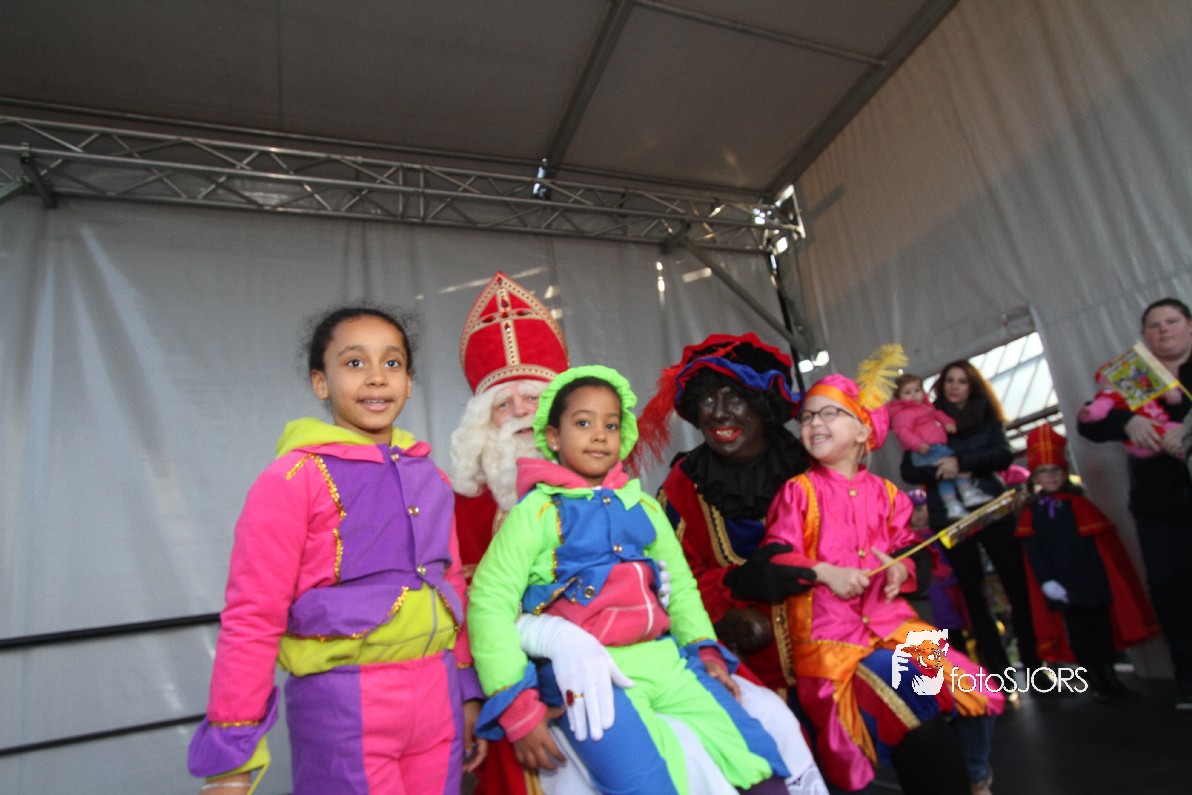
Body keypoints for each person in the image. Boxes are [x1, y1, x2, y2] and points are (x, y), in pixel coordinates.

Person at [450, 274, 791, 795]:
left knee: (769, 742)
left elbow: (681, 583)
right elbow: (483, 607)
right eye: (503, 403)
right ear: (554, 433)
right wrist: (515, 690)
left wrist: (693, 634)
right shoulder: (480, 509)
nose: (519, 412)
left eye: (532, 397)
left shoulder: (635, 501)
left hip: (671, 657)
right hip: (545, 677)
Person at [187, 306, 486, 795]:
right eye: (354, 362)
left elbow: (450, 583)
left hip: (439, 699)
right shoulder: (292, 479)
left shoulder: (431, 477)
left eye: (392, 363)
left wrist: (467, 691)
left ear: (409, 383)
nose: (376, 377)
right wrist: (232, 756)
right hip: (344, 702)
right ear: (320, 382)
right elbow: (254, 615)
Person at [764, 362, 1003, 795]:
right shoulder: (798, 491)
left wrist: (900, 568)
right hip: (832, 637)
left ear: (862, 431)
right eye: (808, 416)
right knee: (908, 693)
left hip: (894, 625)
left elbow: (910, 550)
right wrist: (824, 572)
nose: (814, 422)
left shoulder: (889, 495)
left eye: (829, 413)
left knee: (975, 689)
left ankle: (975, 777)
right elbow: (775, 557)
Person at [1078, 297, 1192, 710]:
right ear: (1144, 335)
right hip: (1157, 502)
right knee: (1169, 587)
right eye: (1154, 325)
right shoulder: (1135, 374)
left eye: (1171, 321)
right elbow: (1090, 422)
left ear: (1189, 326)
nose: (1163, 330)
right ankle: (1187, 678)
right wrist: (1127, 420)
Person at [900, 360, 1044, 684]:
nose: (955, 386)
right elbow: (908, 469)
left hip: (991, 509)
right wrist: (942, 469)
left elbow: (1003, 454)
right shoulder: (924, 415)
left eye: (962, 381)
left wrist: (963, 462)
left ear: (972, 386)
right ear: (941, 386)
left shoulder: (987, 417)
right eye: (949, 380)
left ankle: (1035, 663)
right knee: (972, 593)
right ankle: (998, 674)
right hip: (950, 517)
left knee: (1016, 586)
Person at [1014, 424, 1158, 701]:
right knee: (1081, 635)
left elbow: (1101, 546)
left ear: (1064, 471)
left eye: (1055, 470)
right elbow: (1034, 552)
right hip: (1062, 586)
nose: (1051, 476)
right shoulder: (1032, 512)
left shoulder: (1080, 503)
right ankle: (1097, 682)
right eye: (1044, 471)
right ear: (1035, 476)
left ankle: (1110, 678)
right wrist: (1047, 581)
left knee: (1103, 630)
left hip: (1092, 581)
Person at [888, 374, 994, 520]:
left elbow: (938, 414)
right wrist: (917, 444)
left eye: (917, 390)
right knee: (955, 467)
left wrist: (948, 423)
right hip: (928, 450)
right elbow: (903, 432)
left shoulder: (926, 408)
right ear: (898, 397)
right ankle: (967, 492)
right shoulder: (903, 414)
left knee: (944, 478)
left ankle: (952, 504)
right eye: (907, 392)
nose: (913, 395)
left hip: (935, 447)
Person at [1076, 362, 1181, 459]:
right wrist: (1127, 419)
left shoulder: (1141, 382)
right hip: (1148, 442)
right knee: (1172, 440)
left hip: (1165, 426)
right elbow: (1093, 418)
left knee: (1176, 434)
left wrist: (1171, 393)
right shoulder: (1112, 394)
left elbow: (1160, 390)